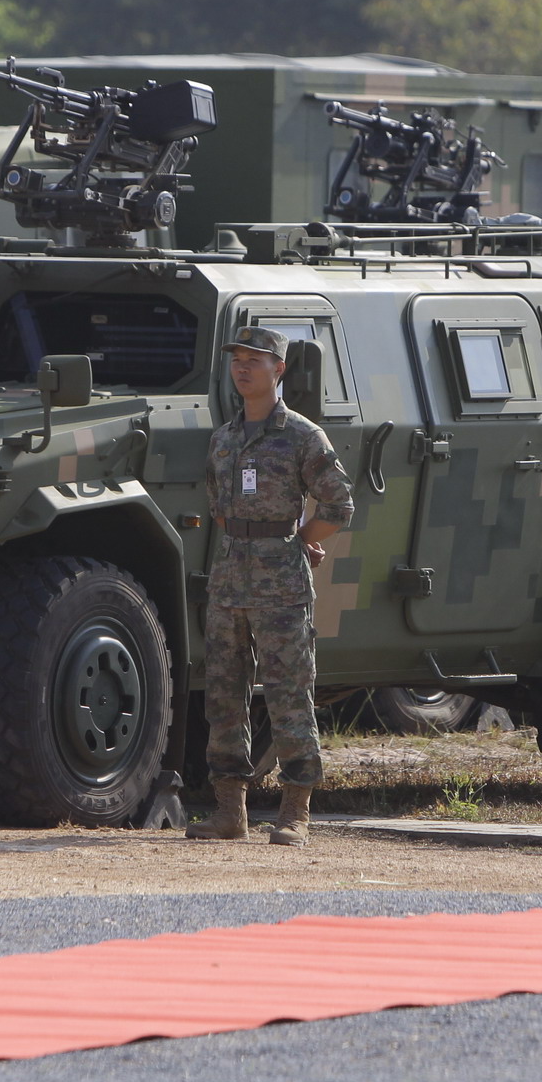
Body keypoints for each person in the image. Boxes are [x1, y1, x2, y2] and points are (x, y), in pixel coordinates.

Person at [187, 326, 354, 847]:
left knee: (288, 696)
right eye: (237, 360)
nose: (243, 368)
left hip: (282, 588)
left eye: (255, 361)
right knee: (223, 698)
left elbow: (339, 504)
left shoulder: (303, 436)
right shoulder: (224, 437)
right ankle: (229, 813)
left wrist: (299, 541)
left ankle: (295, 812)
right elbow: (219, 507)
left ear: (278, 370)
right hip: (230, 583)